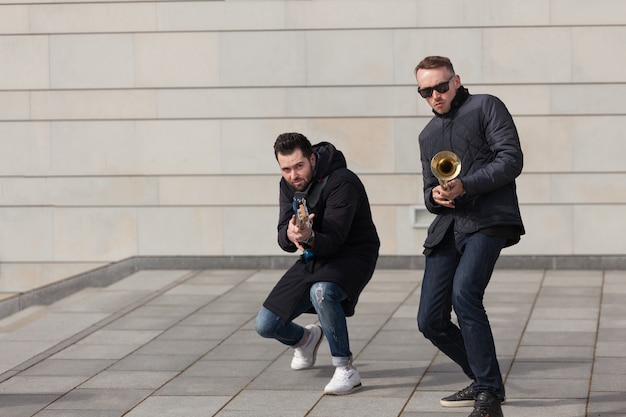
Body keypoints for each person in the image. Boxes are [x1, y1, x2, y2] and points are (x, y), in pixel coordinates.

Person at [414, 56, 525, 417]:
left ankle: (489, 396)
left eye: (440, 87)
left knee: (465, 295)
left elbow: (511, 160)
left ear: (456, 80)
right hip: (448, 227)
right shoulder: (427, 134)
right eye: (425, 91)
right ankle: (482, 379)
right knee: (429, 321)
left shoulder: (486, 106)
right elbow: (429, 189)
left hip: (488, 219)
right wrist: (435, 196)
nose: (434, 95)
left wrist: (466, 186)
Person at [254, 132, 380, 395]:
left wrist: (309, 236)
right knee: (265, 325)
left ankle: (346, 368)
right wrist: (289, 235)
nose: (293, 175)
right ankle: (306, 338)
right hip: (314, 255)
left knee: (321, 291)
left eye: (299, 166)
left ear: (312, 158)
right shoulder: (287, 184)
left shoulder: (342, 181)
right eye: (286, 169)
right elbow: (283, 232)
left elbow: (334, 239)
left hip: (353, 254)